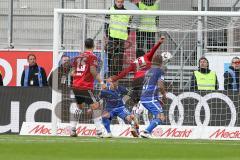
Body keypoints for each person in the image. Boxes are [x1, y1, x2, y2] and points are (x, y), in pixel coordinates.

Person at [108, 36, 165, 106]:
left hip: (135, 82)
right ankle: (156, 98)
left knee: (137, 102)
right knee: (149, 92)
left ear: (136, 56)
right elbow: (153, 50)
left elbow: (124, 73)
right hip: (145, 80)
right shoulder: (146, 56)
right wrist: (159, 42)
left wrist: (114, 78)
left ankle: (135, 109)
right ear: (144, 54)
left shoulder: (133, 63)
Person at [70, 38, 106, 137]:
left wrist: (78, 74)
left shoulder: (77, 57)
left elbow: (72, 72)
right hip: (85, 86)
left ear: (85, 46)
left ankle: (72, 129)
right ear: (93, 46)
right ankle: (99, 131)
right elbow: (93, 71)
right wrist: (102, 82)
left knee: (79, 106)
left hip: (76, 85)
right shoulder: (92, 57)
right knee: (95, 106)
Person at [139, 52, 166, 138]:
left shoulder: (148, 71)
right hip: (150, 98)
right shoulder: (160, 71)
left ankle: (147, 131)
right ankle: (146, 132)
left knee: (156, 115)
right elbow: (160, 85)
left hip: (144, 97)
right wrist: (164, 95)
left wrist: (157, 98)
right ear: (161, 63)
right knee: (161, 117)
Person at [105, 0, 132, 76]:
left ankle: (118, 74)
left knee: (120, 56)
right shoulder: (110, 10)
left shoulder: (127, 12)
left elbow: (128, 26)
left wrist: (127, 35)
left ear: (123, 2)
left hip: (122, 37)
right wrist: (107, 35)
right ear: (115, 2)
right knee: (110, 54)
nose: (119, 3)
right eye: (118, 2)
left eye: (121, 2)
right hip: (112, 36)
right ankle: (110, 73)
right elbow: (106, 23)